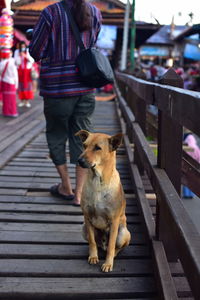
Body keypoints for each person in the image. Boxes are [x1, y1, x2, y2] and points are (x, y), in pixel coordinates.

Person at [29, 0, 102, 206]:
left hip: (57, 88)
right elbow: (92, 44)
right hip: (86, 86)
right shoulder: (95, 12)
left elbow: (36, 51)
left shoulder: (50, 13)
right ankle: (79, 195)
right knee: (82, 139)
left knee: (56, 135)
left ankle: (65, 187)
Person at [14, 41, 34, 108]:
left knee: (28, 86)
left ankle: (27, 101)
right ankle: (22, 101)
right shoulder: (17, 52)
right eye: (21, 46)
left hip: (27, 71)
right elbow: (15, 62)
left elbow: (32, 60)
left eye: (23, 46)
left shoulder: (28, 51)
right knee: (21, 86)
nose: (22, 47)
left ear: (25, 46)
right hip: (20, 71)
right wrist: (19, 56)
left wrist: (26, 56)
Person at [0, 48, 18, 117]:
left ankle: (6, 112)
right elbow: (15, 75)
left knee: (6, 98)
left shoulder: (1, 63)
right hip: (12, 82)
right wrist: (16, 85)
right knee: (12, 99)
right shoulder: (12, 62)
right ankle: (12, 112)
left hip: (4, 82)